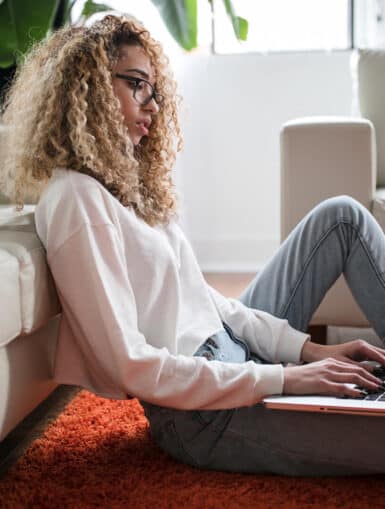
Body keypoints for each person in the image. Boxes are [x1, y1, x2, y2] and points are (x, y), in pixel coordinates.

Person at [2, 14, 385, 477]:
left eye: (155, 90)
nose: (154, 105)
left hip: (236, 356)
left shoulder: (130, 188)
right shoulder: (75, 199)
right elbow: (130, 365)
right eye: (137, 85)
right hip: (204, 415)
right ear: (90, 87)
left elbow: (207, 302)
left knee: (340, 216)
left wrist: (305, 351)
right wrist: (285, 378)